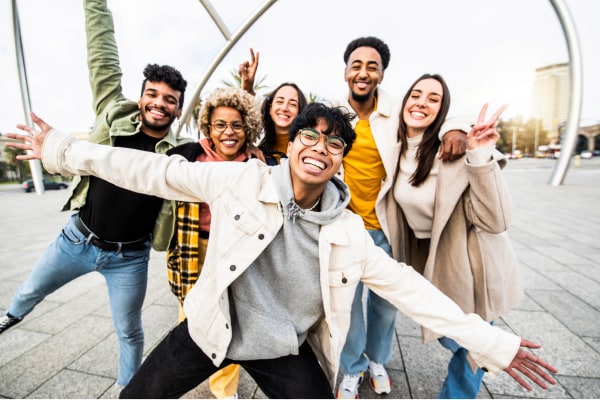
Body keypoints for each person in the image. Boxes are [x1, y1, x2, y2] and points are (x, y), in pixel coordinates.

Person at [8, 105, 557, 399]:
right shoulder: (239, 181)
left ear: (340, 160)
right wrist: (63, 149)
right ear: (290, 144)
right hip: (210, 330)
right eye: (309, 137)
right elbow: (156, 171)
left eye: (333, 143)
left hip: (281, 347)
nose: (320, 148)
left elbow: (410, 290)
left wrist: (494, 344)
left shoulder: (347, 234)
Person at [0, 0, 189, 387]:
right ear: (141, 98)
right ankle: (8, 318)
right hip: (77, 240)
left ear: (178, 109)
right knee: (29, 290)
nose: (160, 103)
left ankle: (127, 391)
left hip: (129, 259)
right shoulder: (113, 114)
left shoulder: (179, 153)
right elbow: (102, 53)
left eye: (170, 99)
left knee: (129, 331)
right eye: (153, 94)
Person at [334, 36, 469, 398]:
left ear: (381, 74)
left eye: (372, 66)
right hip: (344, 227)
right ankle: (352, 367)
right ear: (346, 70)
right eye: (357, 65)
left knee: (386, 305)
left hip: (387, 226)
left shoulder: (395, 110)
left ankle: (377, 359)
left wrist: (457, 127)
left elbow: (435, 111)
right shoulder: (333, 113)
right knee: (348, 306)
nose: (363, 72)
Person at [384, 74, 523, 398]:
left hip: (467, 260)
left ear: (442, 109)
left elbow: (496, 220)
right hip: (426, 259)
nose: (421, 102)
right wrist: (456, 125)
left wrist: (478, 155)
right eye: (415, 95)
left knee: (472, 343)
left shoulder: (453, 152)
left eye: (433, 99)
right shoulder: (396, 147)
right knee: (452, 333)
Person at [159, 87, 262, 399]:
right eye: (220, 124)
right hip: (195, 249)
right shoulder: (190, 156)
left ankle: (225, 389)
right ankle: (178, 379)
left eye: (236, 124)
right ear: (209, 127)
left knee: (230, 320)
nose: (228, 132)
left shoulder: (256, 164)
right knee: (190, 321)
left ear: (247, 129)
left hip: (235, 252)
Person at [239, 48, 308, 165]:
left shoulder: (308, 152)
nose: (284, 108)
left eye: (292, 104)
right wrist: (247, 88)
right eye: (280, 101)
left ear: (300, 112)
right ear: (270, 109)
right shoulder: (258, 155)